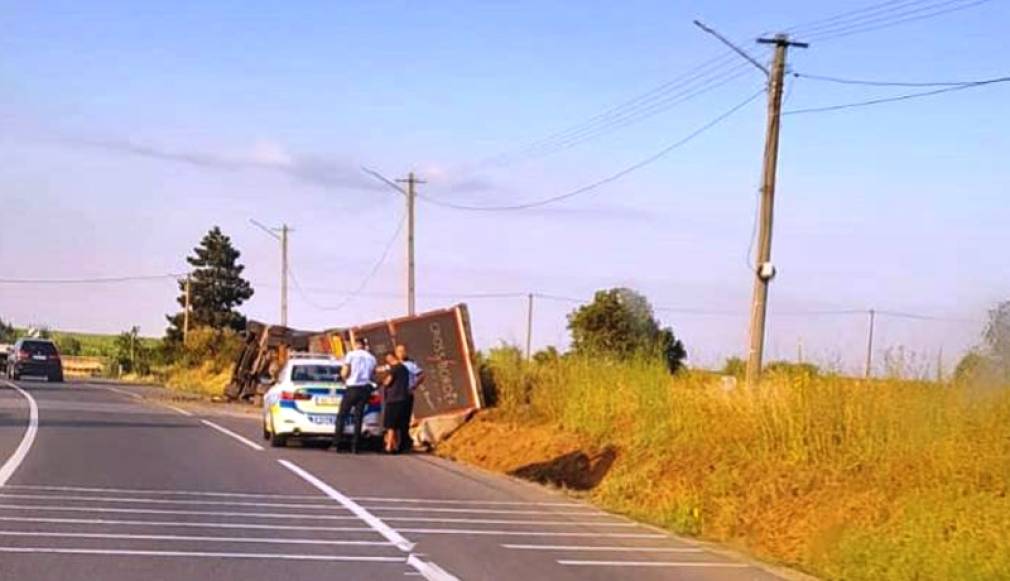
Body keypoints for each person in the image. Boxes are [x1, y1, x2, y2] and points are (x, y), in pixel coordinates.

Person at [333, 337, 376, 454]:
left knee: (342, 415)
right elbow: (373, 375)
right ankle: (355, 446)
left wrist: (342, 378)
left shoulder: (351, 355)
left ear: (356, 344)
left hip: (352, 388)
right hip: (364, 389)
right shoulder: (372, 358)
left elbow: (345, 371)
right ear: (364, 345)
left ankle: (337, 444)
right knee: (358, 418)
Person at [395, 343, 424, 453]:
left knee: (404, 420)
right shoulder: (395, 365)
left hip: (406, 395)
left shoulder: (410, 365)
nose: (401, 353)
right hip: (395, 396)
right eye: (399, 351)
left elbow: (421, 375)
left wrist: (414, 386)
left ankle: (404, 444)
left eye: (403, 351)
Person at [379, 351, 411, 454]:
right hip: (403, 398)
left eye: (387, 360)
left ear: (390, 358)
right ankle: (395, 446)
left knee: (390, 424)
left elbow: (388, 381)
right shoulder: (404, 368)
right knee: (398, 425)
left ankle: (389, 447)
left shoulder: (395, 369)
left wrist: (382, 382)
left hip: (394, 399)